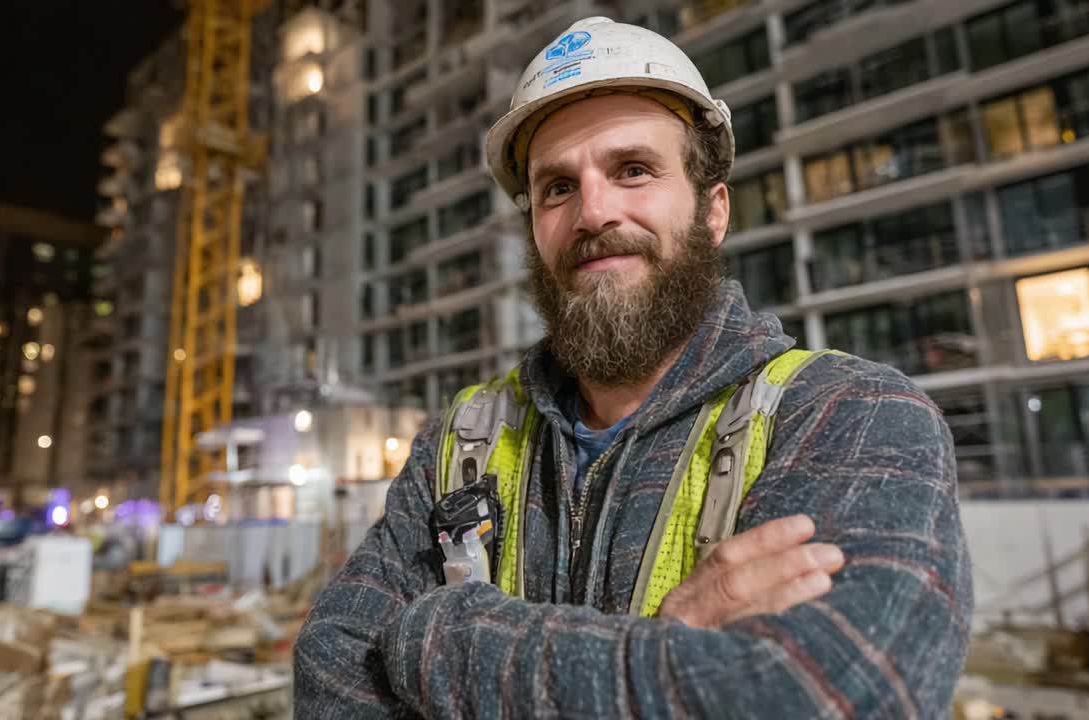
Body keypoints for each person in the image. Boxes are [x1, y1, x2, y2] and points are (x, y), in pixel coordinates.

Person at [296, 17, 971, 718]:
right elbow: (330, 672)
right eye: (558, 187)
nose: (593, 212)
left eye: (633, 170)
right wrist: (666, 653)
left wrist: (434, 633)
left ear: (713, 211)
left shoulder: (851, 416)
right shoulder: (460, 441)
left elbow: (823, 693)